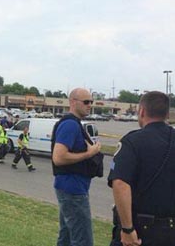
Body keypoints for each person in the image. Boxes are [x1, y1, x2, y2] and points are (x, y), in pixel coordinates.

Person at [108, 91, 175, 246]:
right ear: (167, 114)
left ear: (141, 111)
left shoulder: (132, 142)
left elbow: (120, 183)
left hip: (141, 234)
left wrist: (127, 229)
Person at [51, 88, 102, 246]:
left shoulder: (75, 124)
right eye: (86, 102)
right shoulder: (70, 125)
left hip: (71, 188)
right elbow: (58, 157)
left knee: (66, 237)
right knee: (83, 240)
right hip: (73, 190)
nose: (90, 105)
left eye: (91, 102)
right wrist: (89, 153)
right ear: (73, 102)